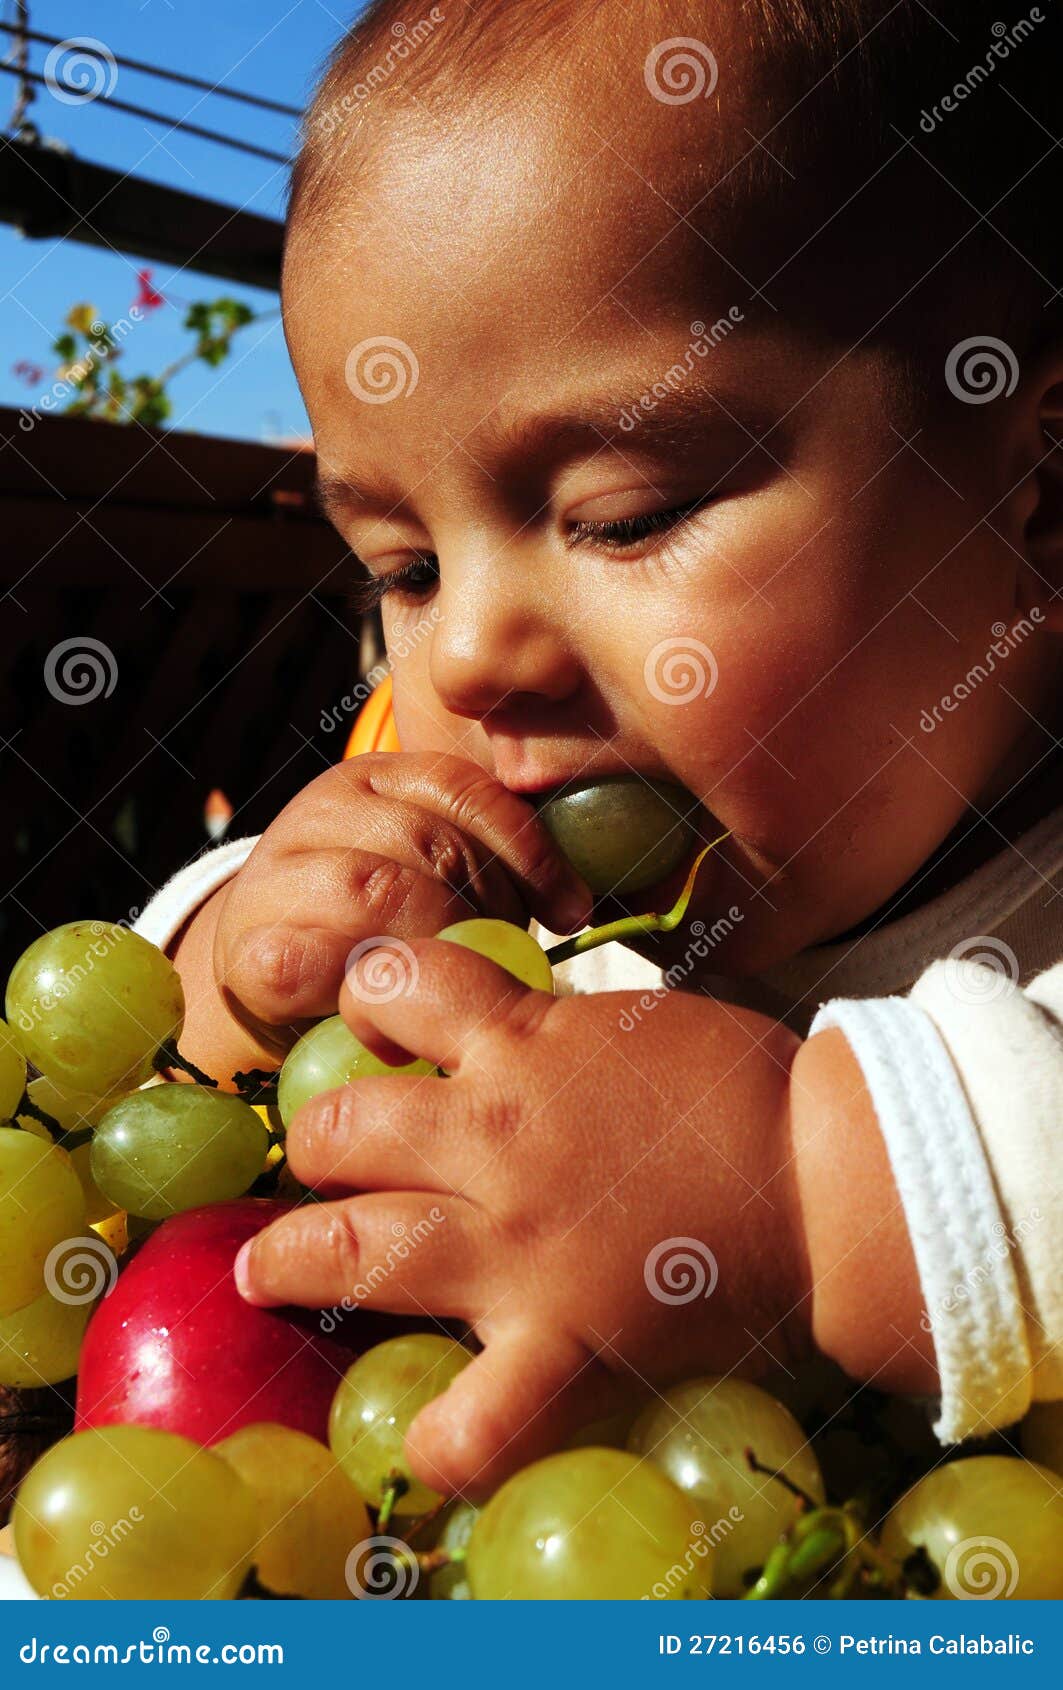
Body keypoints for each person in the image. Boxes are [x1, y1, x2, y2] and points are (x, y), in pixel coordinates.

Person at [134, 0, 1063, 1501]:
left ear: (1037, 477)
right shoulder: (524, 895)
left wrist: (801, 1195)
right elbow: (165, 1052)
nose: (465, 657)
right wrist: (240, 965)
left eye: (622, 517)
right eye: (408, 569)